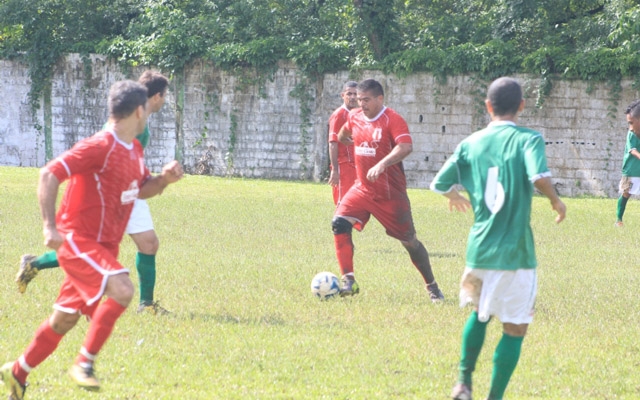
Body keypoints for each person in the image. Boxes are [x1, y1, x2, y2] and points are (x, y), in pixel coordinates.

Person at [0, 80, 183, 399]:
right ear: (140, 111)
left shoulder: (134, 149)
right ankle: (84, 363)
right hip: (78, 241)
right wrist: (50, 227)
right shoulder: (100, 145)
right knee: (123, 288)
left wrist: (164, 181)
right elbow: (49, 174)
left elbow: (142, 188)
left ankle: (17, 373)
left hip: (102, 247)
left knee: (64, 320)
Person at [429, 77, 566, 400]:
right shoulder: (528, 139)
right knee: (515, 327)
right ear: (521, 105)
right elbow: (538, 176)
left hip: (479, 249)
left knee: (479, 313)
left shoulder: (470, 142)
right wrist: (555, 200)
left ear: (487, 106)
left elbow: (438, 183)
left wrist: (453, 195)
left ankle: (463, 382)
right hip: (517, 253)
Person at [16, 71, 171, 315]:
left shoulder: (140, 120)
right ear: (157, 96)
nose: (165, 101)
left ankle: (146, 304)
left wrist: (155, 181)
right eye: (165, 96)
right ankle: (38, 266)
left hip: (129, 190)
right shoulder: (133, 123)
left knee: (148, 244)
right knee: (95, 249)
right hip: (116, 194)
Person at [332, 78, 444, 302]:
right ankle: (349, 281)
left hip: (390, 195)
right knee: (339, 223)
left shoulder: (392, 119)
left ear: (379, 99)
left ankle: (432, 286)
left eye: (366, 100)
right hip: (362, 189)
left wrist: (382, 163)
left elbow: (406, 146)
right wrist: (353, 142)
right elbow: (343, 134)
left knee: (410, 242)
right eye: (359, 99)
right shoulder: (354, 117)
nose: (361, 104)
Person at [328, 81, 358, 205]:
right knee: (343, 203)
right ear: (342, 95)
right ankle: (339, 225)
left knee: (355, 203)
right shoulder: (339, 115)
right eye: (349, 94)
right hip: (343, 165)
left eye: (355, 94)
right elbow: (333, 143)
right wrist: (335, 170)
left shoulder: (357, 114)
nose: (352, 97)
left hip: (355, 165)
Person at [615, 99, 640, 227]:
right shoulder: (631, 134)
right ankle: (618, 219)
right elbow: (632, 150)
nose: (629, 127)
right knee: (626, 193)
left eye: (631, 122)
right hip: (631, 170)